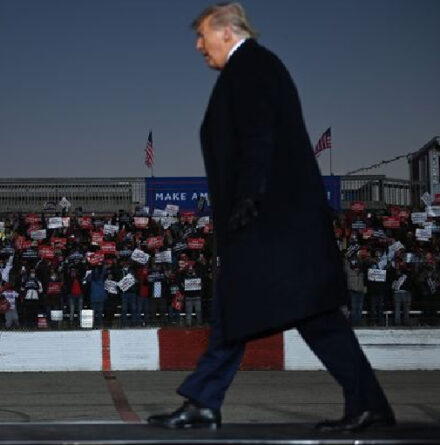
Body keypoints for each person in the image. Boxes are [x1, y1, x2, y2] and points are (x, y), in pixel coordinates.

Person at [148, 3, 394, 433]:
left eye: (203, 35)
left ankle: (206, 402)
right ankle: (366, 402)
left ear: (227, 32)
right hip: (275, 223)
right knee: (290, 311)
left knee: (274, 308)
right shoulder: (249, 68)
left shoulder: (253, 66)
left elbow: (260, 133)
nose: (198, 44)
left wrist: (249, 196)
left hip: (270, 222)